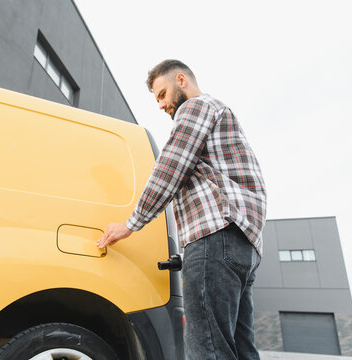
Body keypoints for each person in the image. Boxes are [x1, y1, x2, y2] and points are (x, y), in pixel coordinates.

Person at [97, 59, 267, 360]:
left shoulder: (196, 107)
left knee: (208, 349)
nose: (161, 105)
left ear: (181, 80)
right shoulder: (224, 116)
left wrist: (130, 224)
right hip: (244, 246)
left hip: (215, 238)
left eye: (162, 94)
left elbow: (171, 167)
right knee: (242, 350)